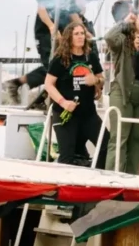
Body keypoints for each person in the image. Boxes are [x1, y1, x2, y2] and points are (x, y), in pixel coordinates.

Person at [12, 0, 89, 104]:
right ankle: (32, 95)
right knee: (53, 68)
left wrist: (84, 31)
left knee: (61, 66)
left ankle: (21, 86)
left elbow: (73, 13)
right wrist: (51, 26)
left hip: (61, 34)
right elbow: (41, 7)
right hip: (46, 32)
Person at [42, 20, 103, 165]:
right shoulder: (60, 59)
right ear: (69, 37)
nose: (80, 36)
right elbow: (48, 84)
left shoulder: (91, 56)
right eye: (76, 34)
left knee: (106, 144)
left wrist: (95, 80)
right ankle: (63, 186)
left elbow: (102, 78)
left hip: (88, 114)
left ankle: (97, 178)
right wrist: (63, 102)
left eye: (82, 33)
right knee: (67, 155)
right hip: (67, 114)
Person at [103, 11, 139, 174]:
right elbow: (109, 38)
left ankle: (130, 178)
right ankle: (112, 176)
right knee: (119, 138)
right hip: (122, 92)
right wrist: (124, 22)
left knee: (138, 139)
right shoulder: (122, 41)